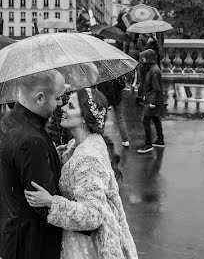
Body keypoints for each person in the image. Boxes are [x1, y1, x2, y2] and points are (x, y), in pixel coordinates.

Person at [24, 88, 139, 259]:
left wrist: (51, 202)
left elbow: (93, 216)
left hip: (88, 245)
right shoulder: (78, 145)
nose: (62, 108)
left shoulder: (88, 157)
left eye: (70, 106)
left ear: (84, 118)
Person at [0, 70, 67, 259]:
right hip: (31, 244)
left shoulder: (9, 119)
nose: (60, 104)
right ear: (40, 98)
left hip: (11, 231)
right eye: (58, 98)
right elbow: (44, 206)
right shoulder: (31, 140)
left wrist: (50, 157)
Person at [137, 48, 165, 154]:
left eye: (143, 59)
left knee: (146, 120)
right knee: (156, 119)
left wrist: (152, 102)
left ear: (148, 59)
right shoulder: (151, 69)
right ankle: (160, 140)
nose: (141, 61)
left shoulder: (154, 71)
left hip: (153, 101)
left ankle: (148, 145)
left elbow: (156, 89)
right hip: (153, 99)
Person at [97, 75, 130, 148]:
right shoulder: (116, 73)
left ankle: (99, 138)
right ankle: (125, 140)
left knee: (102, 118)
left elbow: (98, 87)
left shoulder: (102, 72)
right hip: (116, 98)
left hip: (105, 98)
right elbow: (122, 86)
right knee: (120, 119)